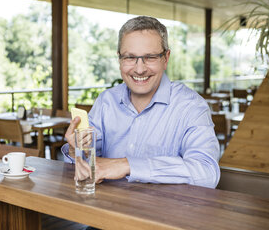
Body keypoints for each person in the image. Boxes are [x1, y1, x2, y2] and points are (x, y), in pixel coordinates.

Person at [62, 16, 220, 189]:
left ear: (166, 58)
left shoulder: (191, 106)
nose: (139, 69)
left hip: (162, 213)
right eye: (130, 57)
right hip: (106, 208)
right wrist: (76, 150)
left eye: (150, 57)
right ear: (119, 59)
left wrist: (127, 165)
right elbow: (90, 160)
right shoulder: (106, 101)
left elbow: (207, 173)